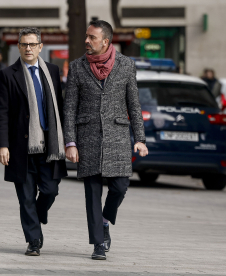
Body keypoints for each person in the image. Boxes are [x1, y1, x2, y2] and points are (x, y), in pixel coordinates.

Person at [63, 20, 148, 260]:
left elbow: (134, 104)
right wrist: (70, 142)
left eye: (92, 37)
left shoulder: (126, 65)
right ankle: (98, 243)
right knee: (92, 192)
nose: (87, 41)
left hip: (118, 136)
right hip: (87, 136)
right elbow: (69, 108)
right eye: (86, 37)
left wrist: (140, 138)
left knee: (120, 186)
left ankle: (104, 220)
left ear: (106, 42)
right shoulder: (78, 67)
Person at [0, 27, 67, 256]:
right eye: (24, 44)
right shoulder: (8, 74)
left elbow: (60, 109)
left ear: (40, 47)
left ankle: (38, 214)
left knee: (51, 190)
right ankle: (33, 240)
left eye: (32, 44)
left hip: (48, 146)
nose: (28, 48)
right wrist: (2, 144)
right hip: (20, 147)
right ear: (18, 47)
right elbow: (1, 112)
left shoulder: (53, 71)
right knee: (25, 197)